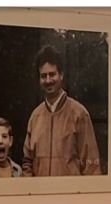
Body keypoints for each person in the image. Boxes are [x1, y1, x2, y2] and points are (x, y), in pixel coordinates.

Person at [22, 45, 102, 177]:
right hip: (41, 190)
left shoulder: (79, 114)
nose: (48, 80)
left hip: (70, 190)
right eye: (43, 76)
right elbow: (27, 163)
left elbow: (91, 166)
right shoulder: (35, 117)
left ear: (61, 75)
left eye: (52, 74)